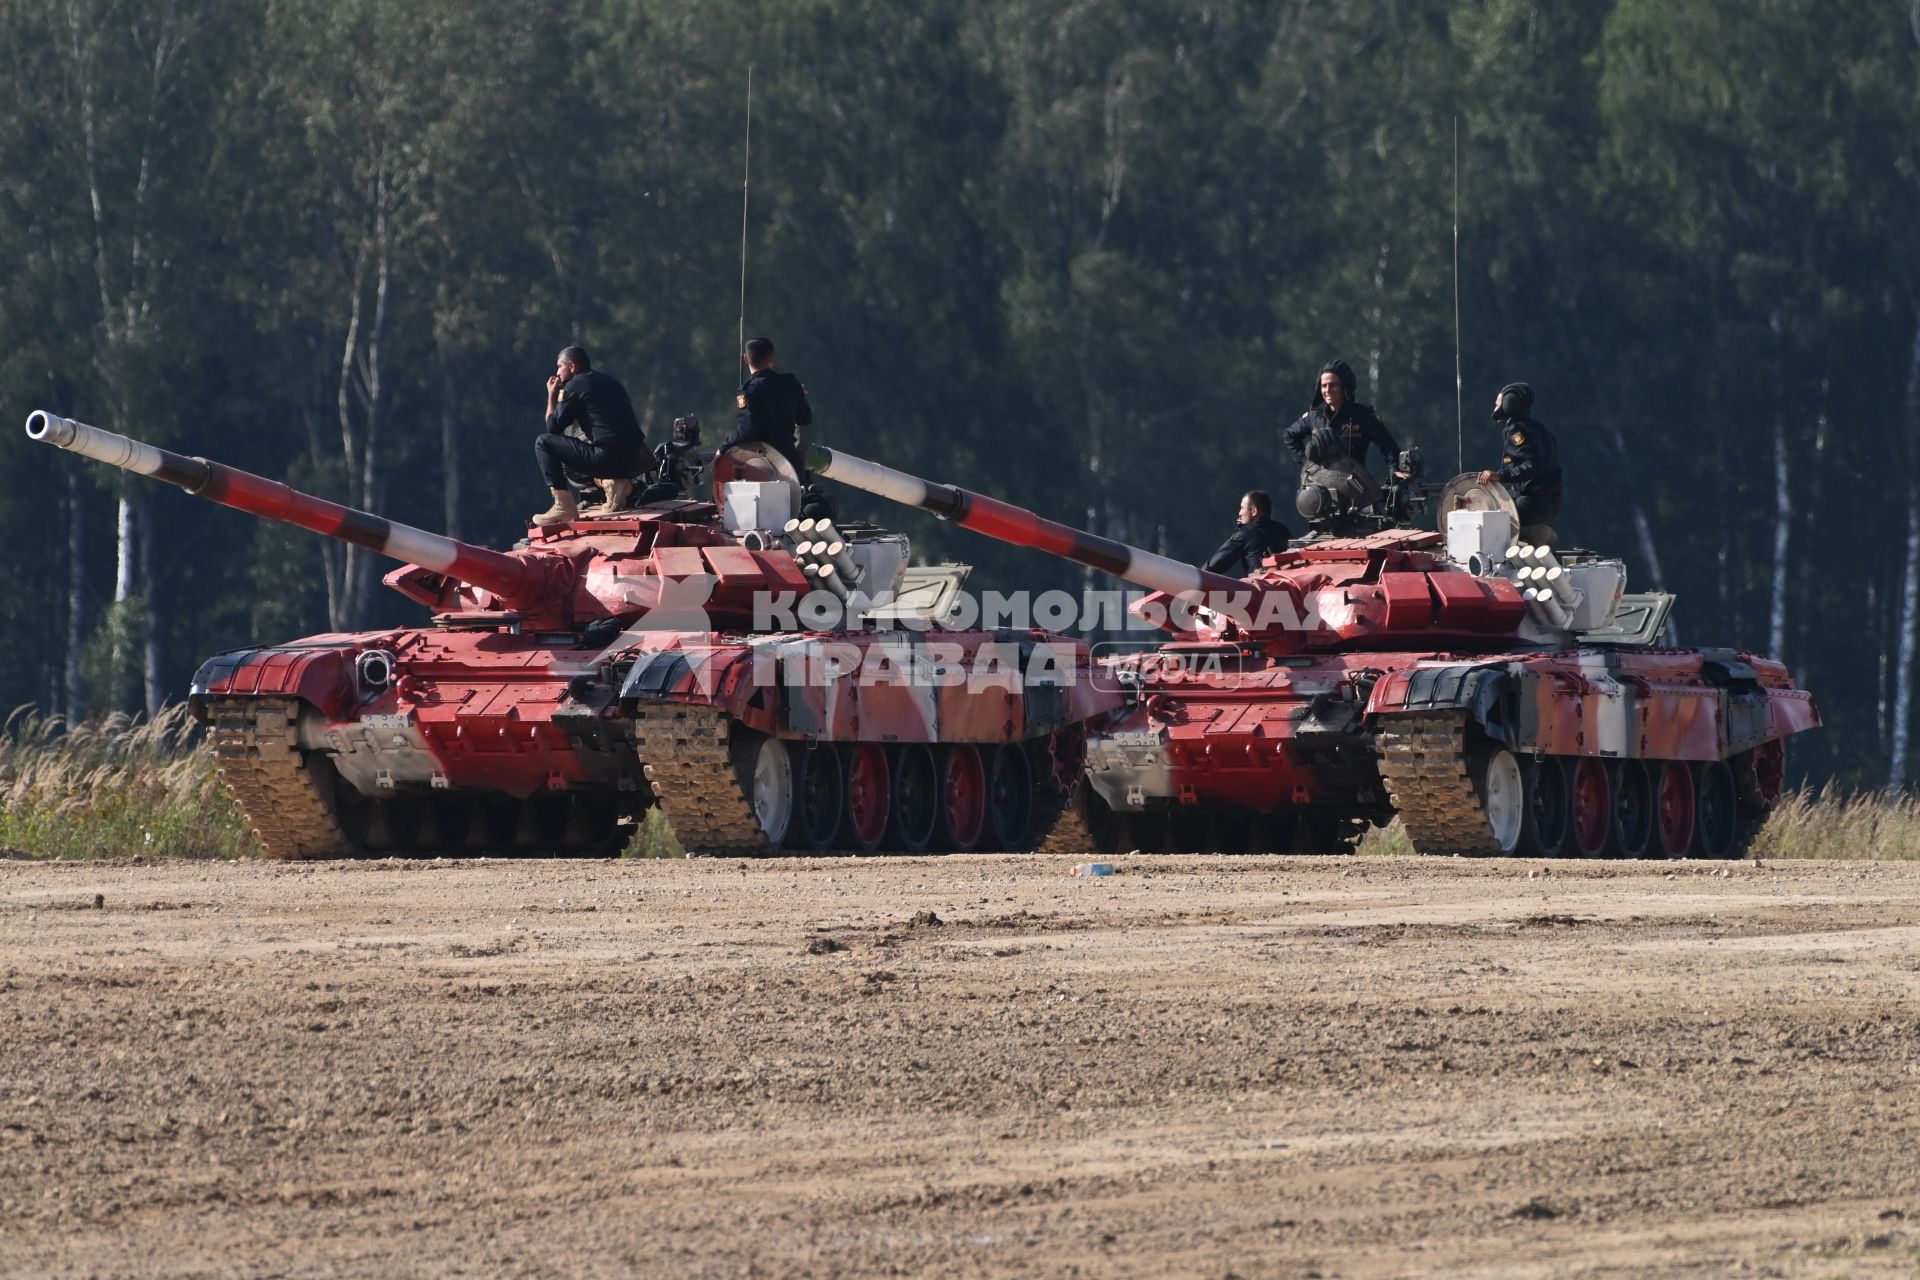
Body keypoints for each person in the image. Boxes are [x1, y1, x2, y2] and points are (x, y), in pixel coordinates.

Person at [533, 346, 645, 526]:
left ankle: (563, 507)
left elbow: (552, 427)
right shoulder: (610, 381)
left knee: (543, 443)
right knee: (577, 450)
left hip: (607, 457)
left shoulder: (575, 385)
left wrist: (552, 396)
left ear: (571, 366)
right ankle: (613, 482)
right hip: (636, 459)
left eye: (559, 366)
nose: (557, 372)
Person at [1284, 360, 1401, 519]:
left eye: (1333, 385)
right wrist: (1307, 463)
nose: (1327, 390)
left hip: (1357, 495)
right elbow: (1289, 435)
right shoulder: (1314, 417)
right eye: (1324, 386)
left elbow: (1388, 446)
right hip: (1322, 499)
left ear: (1344, 386)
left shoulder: (1361, 415)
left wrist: (1395, 471)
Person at [1475, 381, 1563, 545]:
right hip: (1551, 503)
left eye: (1498, 403)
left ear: (1509, 404)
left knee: (1488, 526)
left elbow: (1532, 465)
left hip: (1532, 503)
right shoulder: (1538, 428)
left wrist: (1500, 475)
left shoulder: (1517, 430)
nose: (1495, 408)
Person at [724, 336, 812, 477]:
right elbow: (805, 420)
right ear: (772, 358)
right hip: (791, 466)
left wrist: (723, 447)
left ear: (745, 359)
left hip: (762, 469)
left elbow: (747, 430)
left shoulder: (748, 391)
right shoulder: (792, 384)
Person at [1203, 490, 1292, 577]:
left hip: (1260, 589)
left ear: (1254, 511)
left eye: (1242, 508)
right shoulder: (1283, 530)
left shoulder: (1246, 532)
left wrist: (1199, 576)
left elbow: (1213, 566)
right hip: (1286, 586)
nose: (1239, 513)